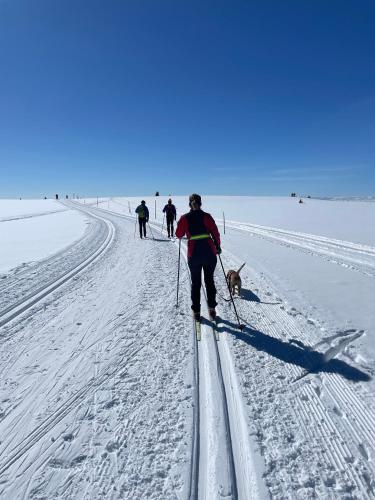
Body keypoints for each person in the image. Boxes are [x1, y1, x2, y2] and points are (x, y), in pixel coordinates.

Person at [175, 193, 221, 321]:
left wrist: (181, 224)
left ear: (190, 204)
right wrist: (217, 246)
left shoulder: (185, 218)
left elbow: (178, 234)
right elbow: (215, 233)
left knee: (196, 283)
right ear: (200, 203)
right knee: (209, 281)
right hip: (209, 253)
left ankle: (196, 311)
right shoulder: (207, 217)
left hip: (194, 254)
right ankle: (212, 309)